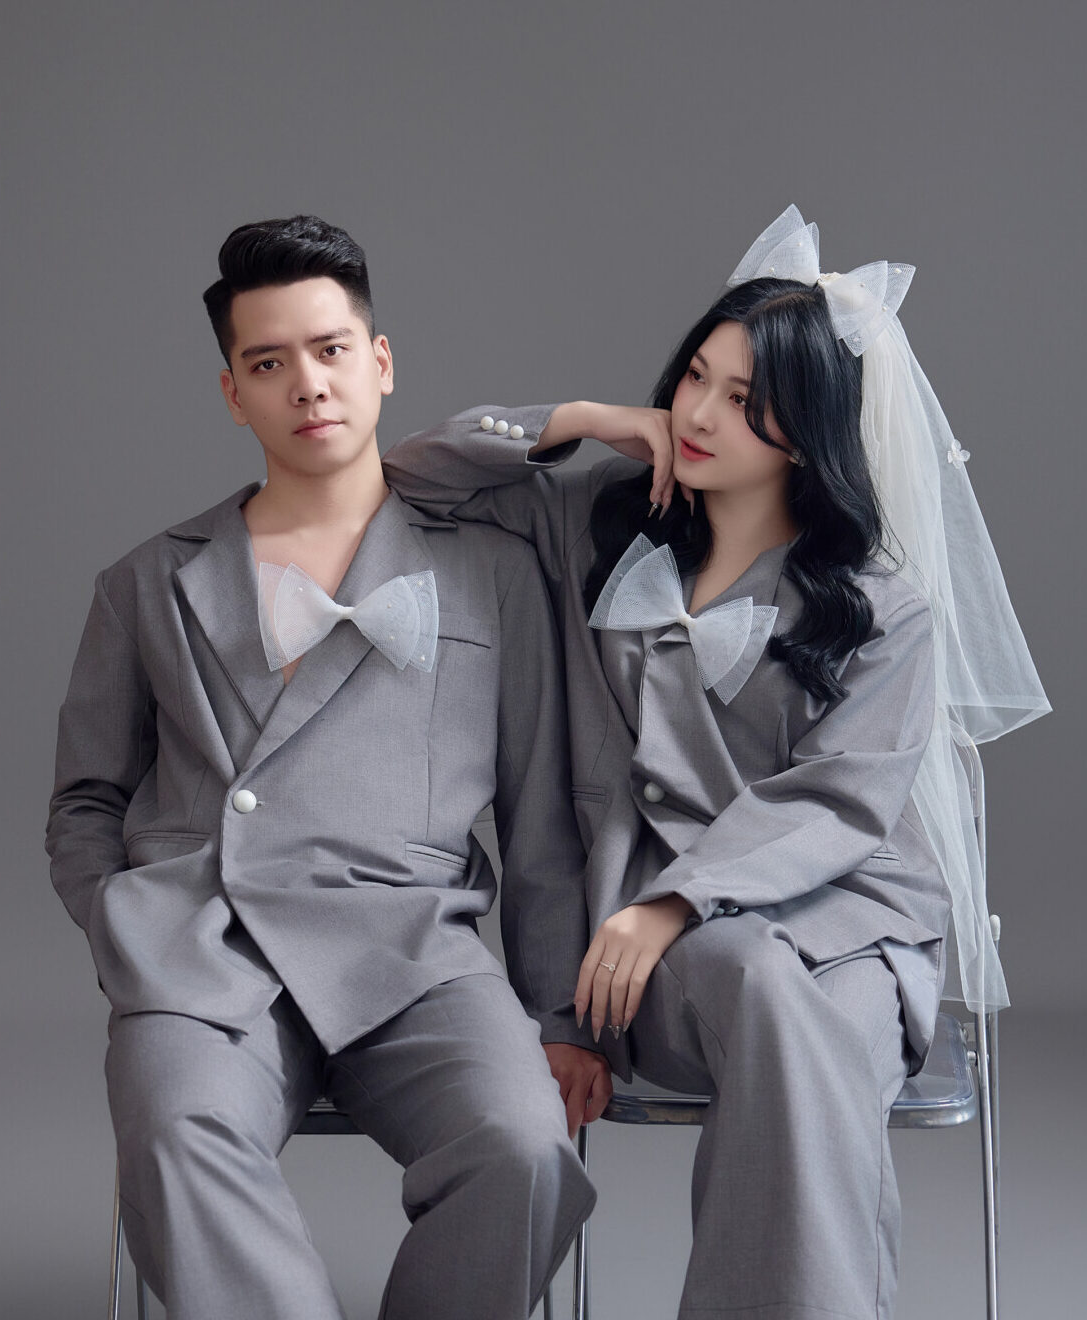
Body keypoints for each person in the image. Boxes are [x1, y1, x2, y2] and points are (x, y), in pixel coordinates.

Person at [383, 206, 1049, 1319]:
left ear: (809, 433)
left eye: (745, 401)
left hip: (849, 925)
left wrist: (676, 902)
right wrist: (591, 419)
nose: (698, 413)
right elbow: (413, 477)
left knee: (788, 1010)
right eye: (695, 376)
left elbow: (841, 803)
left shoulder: (881, 609)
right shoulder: (590, 529)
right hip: (656, 965)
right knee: (761, 985)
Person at [46, 214, 608, 1320]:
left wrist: (561, 1014)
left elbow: (541, 813)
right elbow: (85, 798)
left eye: (331, 349)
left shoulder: (493, 573)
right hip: (209, 951)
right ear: (233, 394)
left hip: (415, 952)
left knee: (527, 1150)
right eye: (268, 364)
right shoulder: (147, 581)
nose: (307, 384)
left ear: (380, 362)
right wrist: (121, 920)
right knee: (177, 1137)